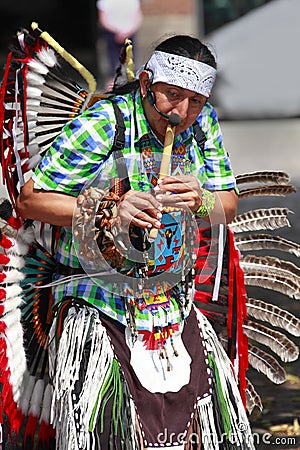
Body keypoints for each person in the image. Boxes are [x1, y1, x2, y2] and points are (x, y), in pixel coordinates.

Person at [16, 35, 255, 449]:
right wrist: (110, 207)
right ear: (146, 82)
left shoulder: (204, 123)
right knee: (106, 430)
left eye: (195, 101)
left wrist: (203, 200)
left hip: (173, 302)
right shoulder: (107, 122)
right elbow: (31, 199)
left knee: (198, 430)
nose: (182, 112)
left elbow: (228, 205)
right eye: (172, 95)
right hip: (97, 296)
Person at [97, 0, 143, 89]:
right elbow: (103, 20)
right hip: (116, 34)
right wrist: (125, 32)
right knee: (113, 66)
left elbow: (138, 17)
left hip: (123, 33)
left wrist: (123, 32)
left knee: (129, 65)